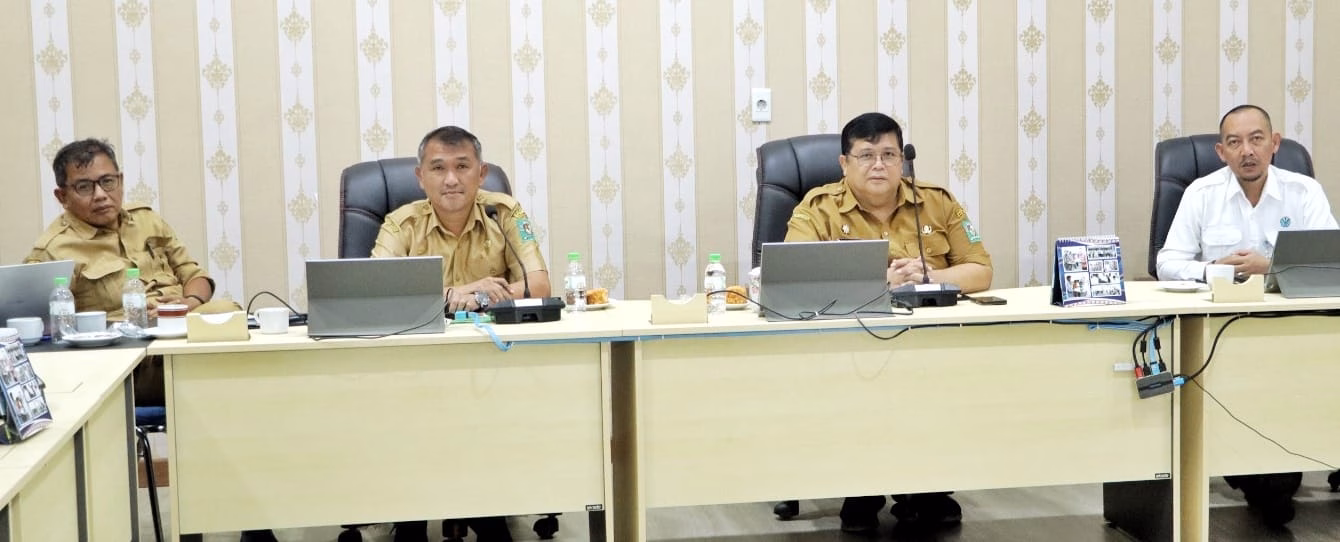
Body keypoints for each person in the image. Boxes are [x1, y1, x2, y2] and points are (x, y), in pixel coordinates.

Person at [23, 139, 270, 542]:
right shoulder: (53, 251)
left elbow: (197, 276)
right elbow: (44, 330)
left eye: (108, 181)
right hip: (132, 366)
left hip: (185, 339)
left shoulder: (148, 221)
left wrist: (188, 304)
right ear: (62, 196)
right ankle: (227, 525)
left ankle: (245, 518)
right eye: (85, 186)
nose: (101, 194)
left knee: (227, 321)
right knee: (224, 386)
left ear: (120, 180)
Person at [784, 112, 993, 533]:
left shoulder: (937, 202)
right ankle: (861, 488)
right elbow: (794, 279)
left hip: (929, 349)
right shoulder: (818, 208)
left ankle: (926, 486)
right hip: (849, 351)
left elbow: (980, 270)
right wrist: (883, 282)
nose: (878, 165)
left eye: (889, 155)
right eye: (866, 155)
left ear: (903, 160)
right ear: (844, 163)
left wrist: (931, 276)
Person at [1157, 104, 1335, 527]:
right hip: (1220, 339)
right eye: (1234, 143)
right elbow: (1166, 262)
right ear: (1221, 152)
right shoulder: (1201, 194)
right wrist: (1215, 269)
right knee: (1273, 487)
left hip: (1293, 335)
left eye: (1257, 139)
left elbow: (1330, 262)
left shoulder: (1303, 192)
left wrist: (1268, 267)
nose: (1247, 151)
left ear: (1275, 144)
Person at [371, 125, 550, 542]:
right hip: (415, 369)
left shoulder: (506, 214)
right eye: (438, 168)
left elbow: (539, 285)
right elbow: (378, 292)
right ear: (421, 177)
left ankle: (487, 510)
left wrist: (482, 298)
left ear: (481, 173)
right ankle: (410, 517)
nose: (451, 179)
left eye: (462, 167)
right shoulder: (400, 224)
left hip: (489, 367)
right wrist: (457, 293)